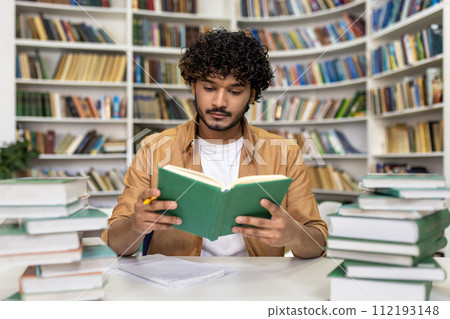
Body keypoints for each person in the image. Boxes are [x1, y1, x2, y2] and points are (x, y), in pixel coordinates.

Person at [101, 28, 327, 258]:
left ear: (251, 94)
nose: (219, 102)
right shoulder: (154, 148)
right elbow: (114, 245)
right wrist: (135, 225)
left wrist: (295, 235)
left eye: (235, 91)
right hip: (178, 287)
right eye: (209, 88)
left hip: (256, 287)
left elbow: (317, 244)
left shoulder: (285, 153)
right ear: (193, 87)